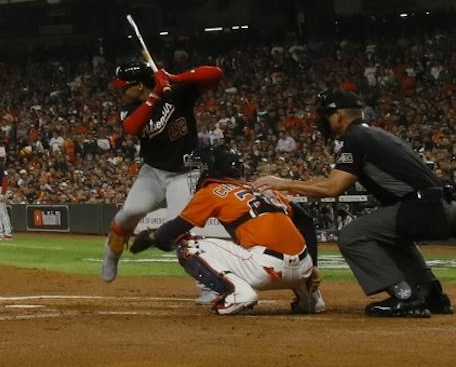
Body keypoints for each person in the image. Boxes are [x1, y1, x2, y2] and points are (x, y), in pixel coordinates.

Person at [255, 89, 454, 318]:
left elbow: (333, 187)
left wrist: (282, 184)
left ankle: (405, 296)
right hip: (440, 204)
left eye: (325, 116)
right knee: (388, 235)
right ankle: (431, 294)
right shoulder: (377, 134)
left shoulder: (354, 138)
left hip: (423, 207)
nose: (321, 122)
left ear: (338, 116)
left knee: (353, 235)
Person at [131, 147, 322, 316]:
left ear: (214, 169)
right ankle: (310, 297)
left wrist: (151, 237)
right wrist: (312, 266)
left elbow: (176, 229)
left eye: (201, 168)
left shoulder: (213, 190)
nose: (198, 173)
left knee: (188, 245)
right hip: (303, 269)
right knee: (275, 245)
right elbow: (305, 221)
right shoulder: (263, 189)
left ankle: (238, 293)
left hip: (266, 269)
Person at [100, 60, 223, 283]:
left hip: (185, 173)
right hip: (153, 172)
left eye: (125, 86)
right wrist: (155, 94)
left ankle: (208, 284)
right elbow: (132, 127)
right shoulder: (131, 108)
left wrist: (176, 78)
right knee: (130, 212)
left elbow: (215, 73)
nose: (121, 91)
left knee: (179, 230)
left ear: (139, 85)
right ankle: (112, 253)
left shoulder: (176, 92)